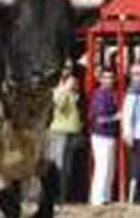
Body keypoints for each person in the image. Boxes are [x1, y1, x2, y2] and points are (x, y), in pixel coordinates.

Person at [47, 66, 84, 204]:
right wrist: (65, 89)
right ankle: (54, 199)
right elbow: (58, 106)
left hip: (72, 130)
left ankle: (61, 198)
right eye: (65, 68)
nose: (68, 71)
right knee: (58, 166)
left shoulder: (73, 89)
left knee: (67, 168)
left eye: (69, 68)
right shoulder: (56, 87)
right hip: (59, 130)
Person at [120, 62, 140, 203]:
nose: (138, 77)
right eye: (135, 74)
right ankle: (133, 197)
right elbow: (127, 114)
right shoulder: (131, 93)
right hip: (135, 135)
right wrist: (127, 132)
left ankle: (139, 196)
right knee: (136, 168)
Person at [88, 69, 120, 205]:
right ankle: (97, 198)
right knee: (102, 167)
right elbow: (99, 119)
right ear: (100, 79)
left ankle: (105, 197)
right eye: (106, 78)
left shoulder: (110, 94)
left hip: (109, 135)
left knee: (109, 167)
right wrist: (115, 117)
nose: (109, 80)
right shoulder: (99, 95)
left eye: (111, 77)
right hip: (101, 136)